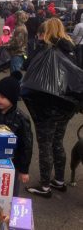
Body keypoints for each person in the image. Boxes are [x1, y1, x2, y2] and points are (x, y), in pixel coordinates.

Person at [22, 18, 79, 198]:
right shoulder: (71, 50)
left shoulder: (47, 51)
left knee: (45, 144)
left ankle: (45, 185)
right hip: (67, 106)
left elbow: (31, 73)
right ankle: (59, 180)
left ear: (46, 32)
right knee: (58, 141)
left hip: (47, 107)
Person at [0, 72, 33, 196]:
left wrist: (24, 170)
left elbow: (26, 146)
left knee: (10, 191)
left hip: (13, 163)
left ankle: (9, 213)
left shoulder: (21, 118)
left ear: (12, 98)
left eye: (3, 97)